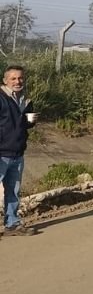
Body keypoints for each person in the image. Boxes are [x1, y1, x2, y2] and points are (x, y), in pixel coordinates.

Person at [1, 65, 38, 236]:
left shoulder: (25, 100)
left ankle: (12, 224)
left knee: (14, 192)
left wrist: (31, 121)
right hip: (1, 153)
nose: (18, 81)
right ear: (5, 80)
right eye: (13, 78)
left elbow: (24, 124)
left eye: (20, 78)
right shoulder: (1, 98)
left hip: (17, 154)